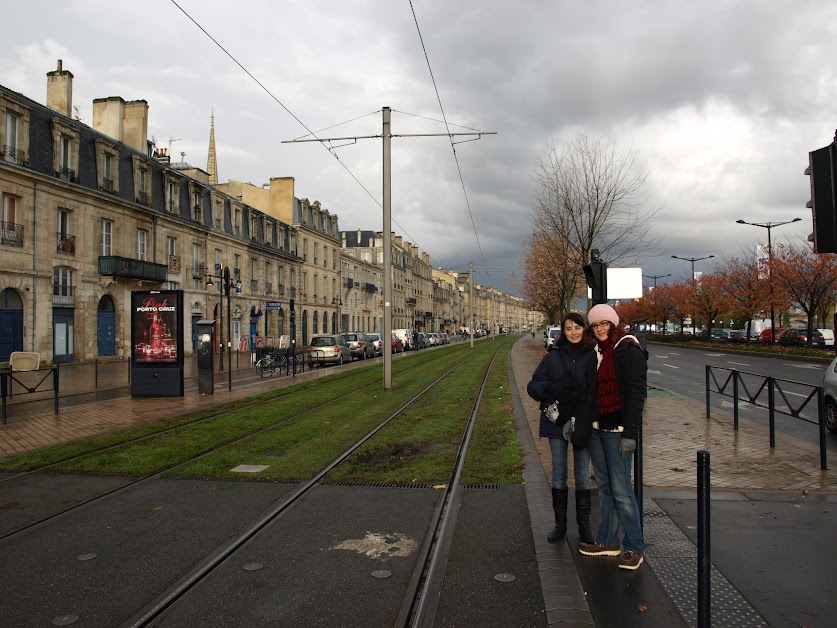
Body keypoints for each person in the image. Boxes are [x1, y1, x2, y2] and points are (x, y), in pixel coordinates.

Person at [579, 303, 647, 571]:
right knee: (605, 488)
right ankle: (607, 540)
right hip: (597, 430)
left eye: (604, 323)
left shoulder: (628, 350)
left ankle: (634, 547)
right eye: (595, 325)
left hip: (617, 432)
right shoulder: (595, 352)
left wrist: (631, 434)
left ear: (613, 324)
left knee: (622, 491)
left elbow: (636, 396)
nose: (600, 329)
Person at [527, 312, 596, 544]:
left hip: (582, 423)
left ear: (584, 329)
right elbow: (533, 385)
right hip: (557, 422)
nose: (574, 332)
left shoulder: (591, 356)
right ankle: (560, 525)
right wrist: (551, 389)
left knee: (582, 476)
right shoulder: (552, 357)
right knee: (559, 472)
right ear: (563, 332)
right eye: (569, 328)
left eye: (578, 327)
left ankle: (584, 527)